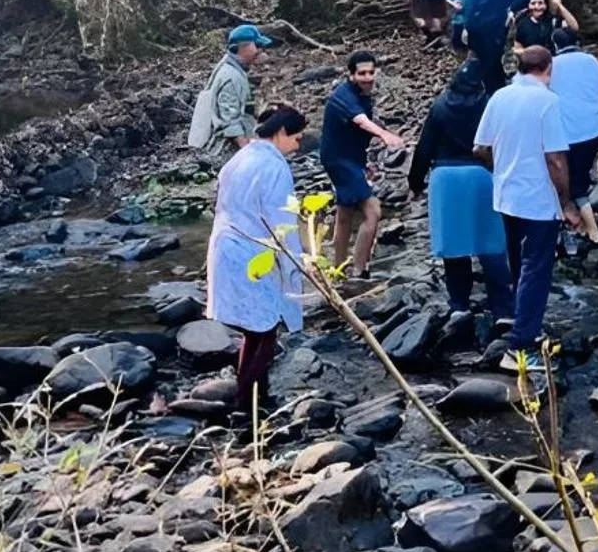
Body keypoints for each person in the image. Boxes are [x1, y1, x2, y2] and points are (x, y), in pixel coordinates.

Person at [473, 46, 579, 371]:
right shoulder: (548, 102)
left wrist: (502, 170)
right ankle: (520, 346)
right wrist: (567, 201)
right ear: (548, 68)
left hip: (506, 196)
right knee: (537, 269)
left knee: (519, 265)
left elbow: (480, 148)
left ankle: (523, 322)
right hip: (539, 199)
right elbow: (556, 159)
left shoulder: (500, 97)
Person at [205, 107, 310, 416]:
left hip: (226, 245)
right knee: (265, 330)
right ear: (280, 134)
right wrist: (295, 263)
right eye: (297, 139)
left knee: (255, 329)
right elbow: (282, 222)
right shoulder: (274, 167)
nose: (298, 146)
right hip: (253, 249)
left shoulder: (239, 159)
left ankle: (253, 392)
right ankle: (247, 401)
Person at [408, 61, 514, 321]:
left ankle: (460, 306)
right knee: (492, 244)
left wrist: (415, 182)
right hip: (482, 175)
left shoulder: (440, 106)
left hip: (446, 178)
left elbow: (425, 147)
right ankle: (503, 310)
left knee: (455, 247)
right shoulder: (489, 104)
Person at [323, 51, 406, 279]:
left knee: (345, 215)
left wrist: (364, 163)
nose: (368, 78)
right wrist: (385, 135)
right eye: (361, 74)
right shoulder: (344, 96)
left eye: (371, 72)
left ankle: (337, 269)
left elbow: (356, 129)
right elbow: (361, 121)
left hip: (350, 159)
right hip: (338, 161)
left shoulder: (362, 95)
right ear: (350, 75)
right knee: (373, 211)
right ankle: (360, 271)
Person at [548, 28, 598, 249]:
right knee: (580, 176)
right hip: (594, 131)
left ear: (554, 45)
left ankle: (594, 234)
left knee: (574, 184)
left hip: (568, 134)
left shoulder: (553, 66)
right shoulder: (591, 60)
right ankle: (580, 226)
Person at [189, 25, 274, 159]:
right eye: (257, 45)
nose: (260, 50)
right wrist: (246, 149)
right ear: (243, 47)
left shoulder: (233, 69)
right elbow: (229, 120)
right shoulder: (231, 76)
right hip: (228, 151)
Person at [459, 0, 531, 94]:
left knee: (494, 62)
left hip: (495, 29)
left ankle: (498, 91)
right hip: (476, 30)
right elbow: (471, 6)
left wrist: (511, 9)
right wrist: (466, 27)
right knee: (480, 63)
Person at [511, 0, 579, 53]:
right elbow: (517, 49)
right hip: (532, 62)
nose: (536, 7)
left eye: (540, 3)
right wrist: (533, 52)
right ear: (528, 6)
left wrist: (559, 5)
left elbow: (574, 27)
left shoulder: (553, 21)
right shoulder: (522, 23)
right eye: (533, 3)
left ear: (546, 5)